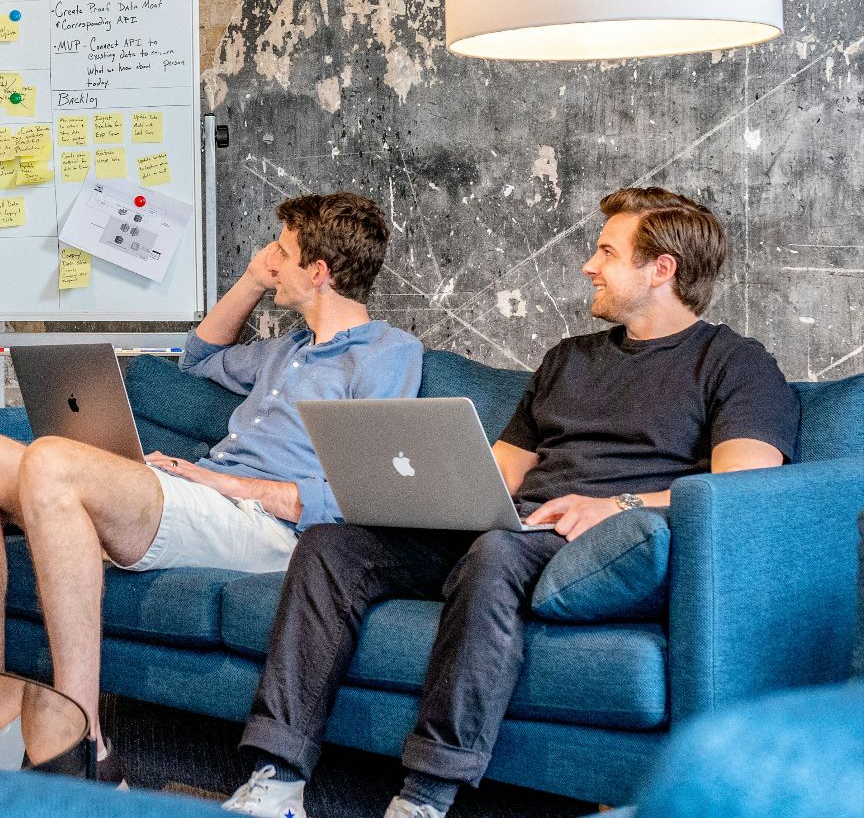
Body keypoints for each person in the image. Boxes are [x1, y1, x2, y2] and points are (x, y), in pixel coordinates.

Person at [221, 186, 800, 818]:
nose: (588, 265)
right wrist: (418, 493)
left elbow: (741, 490)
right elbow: (498, 470)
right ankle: (275, 779)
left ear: (662, 270)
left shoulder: (735, 363)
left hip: (603, 544)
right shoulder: (568, 359)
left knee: (496, 551)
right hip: (520, 529)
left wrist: (616, 506)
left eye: (606, 251)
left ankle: (423, 797)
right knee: (334, 545)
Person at [0, 192, 424, 772]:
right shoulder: (285, 351)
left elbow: (363, 495)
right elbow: (197, 357)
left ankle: (83, 737)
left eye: (282, 252)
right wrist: (249, 281)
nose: (270, 257)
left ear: (318, 272)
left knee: (52, 462)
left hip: (266, 528)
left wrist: (227, 484)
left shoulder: (387, 355)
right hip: (206, 500)